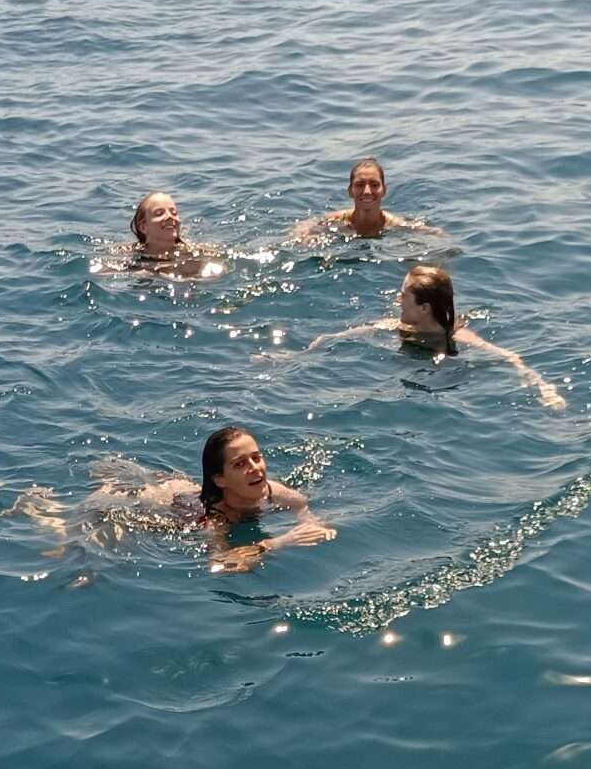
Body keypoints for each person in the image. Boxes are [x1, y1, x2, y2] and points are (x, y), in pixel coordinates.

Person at [304, 264, 565, 409]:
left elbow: (510, 357)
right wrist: (323, 340)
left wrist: (544, 387)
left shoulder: (459, 335)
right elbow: (357, 331)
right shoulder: (398, 325)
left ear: (424, 309)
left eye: (403, 295)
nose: (397, 299)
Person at [186, 424, 334, 574]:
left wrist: (314, 528)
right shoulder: (216, 521)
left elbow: (305, 511)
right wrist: (278, 542)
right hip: (176, 499)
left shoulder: (275, 492)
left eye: (256, 458)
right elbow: (219, 567)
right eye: (240, 464)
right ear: (220, 479)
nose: (255, 467)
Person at [286, 157, 435, 243]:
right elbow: (304, 226)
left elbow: (432, 234)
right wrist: (303, 235)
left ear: (384, 190)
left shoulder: (396, 225)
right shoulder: (337, 220)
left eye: (374, 185)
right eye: (360, 185)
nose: (367, 191)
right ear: (350, 191)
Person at [127, 191, 224, 278]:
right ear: (143, 227)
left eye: (174, 213)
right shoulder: (128, 256)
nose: (170, 217)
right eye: (159, 213)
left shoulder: (196, 255)